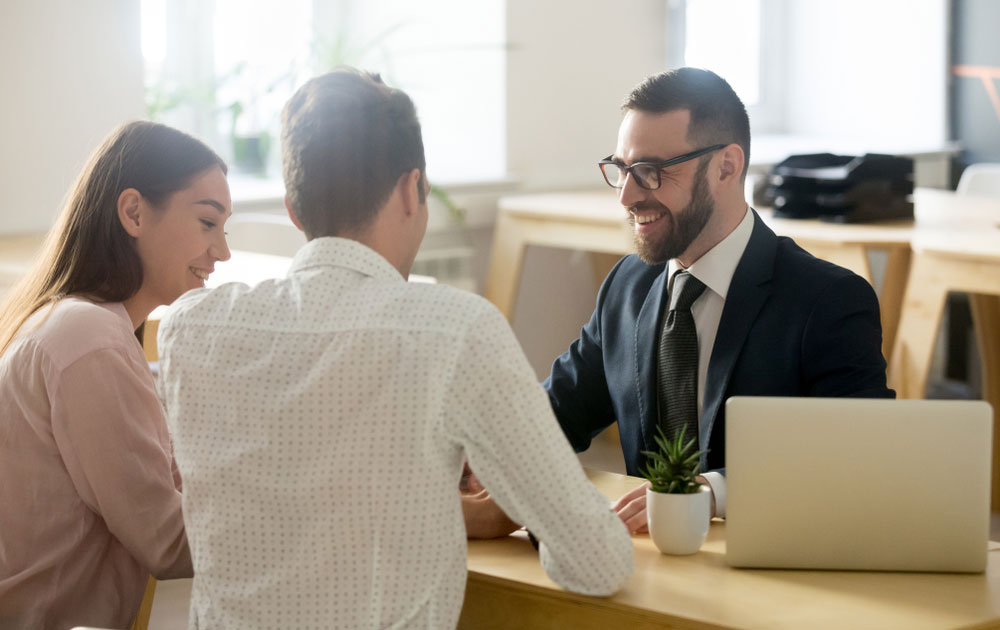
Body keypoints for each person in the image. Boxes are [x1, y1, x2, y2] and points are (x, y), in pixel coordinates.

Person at [156, 68, 632, 629]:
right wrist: (508, 506)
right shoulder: (456, 331)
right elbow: (597, 562)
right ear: (413, 190)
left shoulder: (190, 327)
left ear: (293, 208)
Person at [542, 68, 895, 533]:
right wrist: (473, 465)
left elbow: (859, 452)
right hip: (643, 568)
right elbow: (552, 415)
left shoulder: (828, 301)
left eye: (651, 172)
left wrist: (709, 494)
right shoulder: (627, 286)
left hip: (769, 568)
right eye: (622, 170)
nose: (627, 196)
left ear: (726, 166)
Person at [0, 121, 232, 629]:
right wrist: (314, 501)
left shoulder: (71, 322)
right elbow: (170, 543)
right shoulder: (89, 340)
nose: (223, 252)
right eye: (207, 223)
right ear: (133, 213)